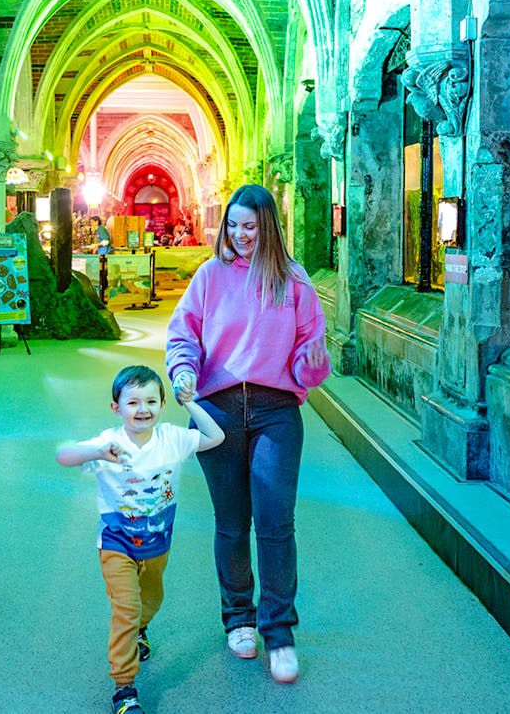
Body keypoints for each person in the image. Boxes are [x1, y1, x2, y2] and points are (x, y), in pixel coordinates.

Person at [164, 183, 330, 684]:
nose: (240, 235)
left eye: (250, 227)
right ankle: (239, 618)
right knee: (232, 522)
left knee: (276, 522)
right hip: (216, 412)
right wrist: (183, 371)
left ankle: (278, 633)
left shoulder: (294, 281)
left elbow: (309, 353)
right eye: (233, 225)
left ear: (269, 228)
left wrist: (313, 363)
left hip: (276, 409)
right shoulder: (210, 276)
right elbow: (183, 333)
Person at [57, 365, 225, 714]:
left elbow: (216, 437)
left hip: (157, 544)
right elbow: (64, 455)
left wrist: (190, 403)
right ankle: (124, 688)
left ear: (163, 405)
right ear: (116, 407)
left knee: (151, 599)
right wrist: (97, 453)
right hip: (116, 543)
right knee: (126, 609)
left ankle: (141, 627)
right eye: (132, 402)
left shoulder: (172, 439)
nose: (143, 409)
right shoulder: (109, 442)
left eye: (151, 400)